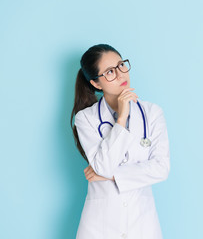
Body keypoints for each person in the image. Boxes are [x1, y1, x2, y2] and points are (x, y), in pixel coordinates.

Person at [70, 44, 170, 239]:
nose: (121, 74)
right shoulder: (86, 119)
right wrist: (122, 118)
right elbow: (103, 167)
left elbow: (161, 168)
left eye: (121, 65)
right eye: (110, 72)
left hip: (142, 223)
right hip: (99, 226)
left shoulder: (152, 113)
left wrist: (110, 176)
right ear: (96, 84)